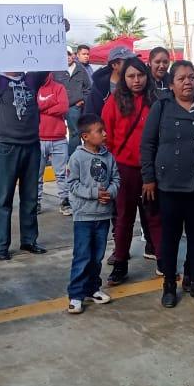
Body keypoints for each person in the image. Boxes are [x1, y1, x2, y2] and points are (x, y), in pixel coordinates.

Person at [141, 61, 194, 308]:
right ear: (171, 84)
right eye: (181, 78)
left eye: (191, 77)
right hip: (169, 186)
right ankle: (169, 285)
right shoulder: (162, 106)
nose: (188, 82)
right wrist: (149, 178)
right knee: (170, 239)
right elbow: (148, 144)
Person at [0, 26, 49, 259]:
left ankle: (29, 240)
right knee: (4, 199)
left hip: (32, 146)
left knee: (30, 197)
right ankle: (2, 247)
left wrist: (58, 32)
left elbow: (47, 58)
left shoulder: (32, 80)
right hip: (7, 147)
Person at [103, 58, 163, 285]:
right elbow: (106, 136)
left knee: (155, 216)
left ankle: (162, 260)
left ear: (147, 76)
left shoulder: (157, 100)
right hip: (124, 169)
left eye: (140, 75)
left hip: (152, 170)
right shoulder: (114, 102)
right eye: (130, 76)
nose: (136, 80)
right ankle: (120, 264)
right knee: (123, 218)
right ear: (123, 78)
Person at [65, 114, 121, 314]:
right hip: (84, 217)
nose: (105, 134)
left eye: (104, 130)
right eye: (99, 131)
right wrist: (94, 194)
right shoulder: (77, 157)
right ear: (85, 136)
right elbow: (72, 184)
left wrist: (111, 193)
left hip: (103, 215)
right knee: (82, 256)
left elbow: (116, 179)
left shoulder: (108, 156)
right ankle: (76, 294)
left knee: (97, 256)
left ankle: (93, 288)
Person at [37, 73, 71, 216]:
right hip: (38, 139)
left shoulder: (59, 87)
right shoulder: (33, 88)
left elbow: (63, 107)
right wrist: (52, 103)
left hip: (58, 138)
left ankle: (65, 201)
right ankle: (36, 202)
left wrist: (42, 109)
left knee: (62, 173)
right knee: (36, 175)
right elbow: (33, 107)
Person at [55, 48, 91, 157]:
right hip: (58, 106)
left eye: (69, 54)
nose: (67, 57)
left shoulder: (81, 69)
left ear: (74, 55)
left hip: (74, 107)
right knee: (58, 133)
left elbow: (88, 88)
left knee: (75, 132)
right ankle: (60, 156)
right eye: (65, 55)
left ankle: (72, 158)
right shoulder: (55, 70)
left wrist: (81, 101)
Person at [85, 47, 135, 118]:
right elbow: (91, 115)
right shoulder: (100, 86)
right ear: (114, 65)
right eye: (128, 62)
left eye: (133, 60)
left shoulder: (135, 82)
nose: (132, 64)